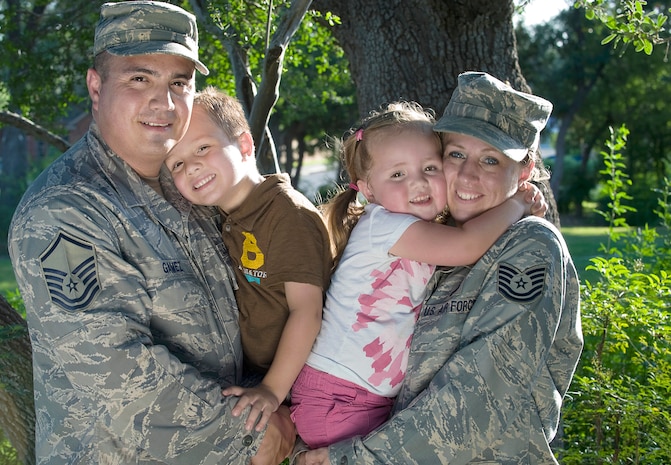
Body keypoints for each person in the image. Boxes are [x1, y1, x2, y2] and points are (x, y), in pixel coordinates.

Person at [8, 2, 294, 464]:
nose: (163, 103)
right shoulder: (63, 211)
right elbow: (114, 369)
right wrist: (252, 435)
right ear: (96, 86)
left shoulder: (191, 185)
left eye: (179, 83)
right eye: (139, 79)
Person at [295, 72, 583, 464]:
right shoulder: (427, 236)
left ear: (526, 171)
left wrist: (351, 458)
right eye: (456, 154)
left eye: (491, 159)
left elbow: (480, 397)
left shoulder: (528, 244)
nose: (466, 175)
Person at [165, 86, 332, 432]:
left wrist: (272, 390)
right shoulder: (227, 216)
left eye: (202, 148)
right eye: (177, 164)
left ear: (244, 145)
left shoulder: (285, 214)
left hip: (298, 377)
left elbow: (308, 311)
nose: (192, 167)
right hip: (256, 370)